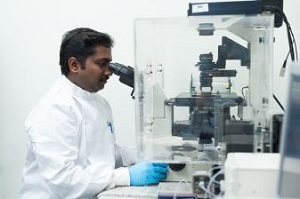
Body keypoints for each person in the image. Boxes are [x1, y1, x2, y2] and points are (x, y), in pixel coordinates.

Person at [19, 27, 168, 199]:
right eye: (101, 63)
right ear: (74, 65)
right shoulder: (53, 109)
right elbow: (63, 180)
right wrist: (127, 176)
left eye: (110, 63)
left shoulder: (99, 103)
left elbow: (104, 154)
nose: (109, 71)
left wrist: (145, 153)